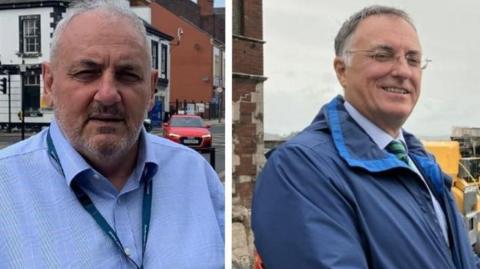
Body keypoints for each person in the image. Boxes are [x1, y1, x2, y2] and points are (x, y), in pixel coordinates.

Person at [252, 5, 479, 269]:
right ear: (342, 70)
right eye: (383, 55)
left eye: (413, 59)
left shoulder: (422, 163)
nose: (403, 71)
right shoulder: (301, 169)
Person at [0, 1, 224, 268]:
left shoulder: (197, 176)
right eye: (86, 73)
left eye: (127, 75)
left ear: (152, 88)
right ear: (49, 83)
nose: (107, 95)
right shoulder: (6, 187)